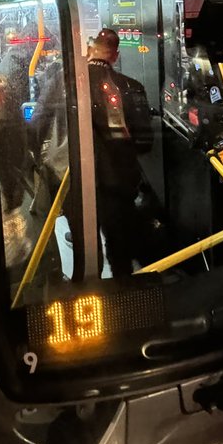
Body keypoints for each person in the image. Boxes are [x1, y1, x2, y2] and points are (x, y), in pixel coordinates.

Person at [83, 28, 153, 280]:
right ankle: (123, 291)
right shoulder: (132, 87)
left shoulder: (66, 84)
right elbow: (146, 143)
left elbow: (38, 123)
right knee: (118, 243)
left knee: (85, 242)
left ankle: (86, 286)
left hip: (76, 181)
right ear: (116, 55)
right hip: (118, 182)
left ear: (89, 50)